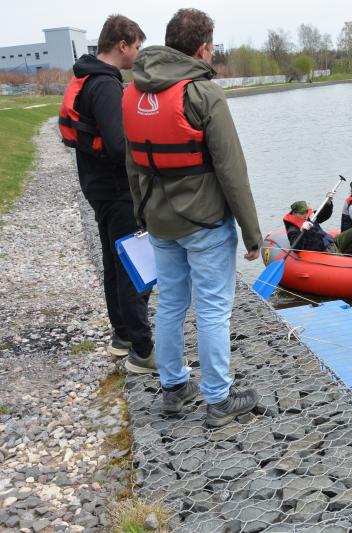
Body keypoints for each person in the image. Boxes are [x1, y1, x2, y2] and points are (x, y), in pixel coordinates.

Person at [123, 8, 262, 428]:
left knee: (170, 304)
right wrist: (252, 234)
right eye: (212, 46)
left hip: (159, 222)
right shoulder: (204, 94)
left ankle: (174, 387)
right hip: (204, 224)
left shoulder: (132, 92)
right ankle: (218, 398)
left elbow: (132, 163)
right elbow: (232, 172)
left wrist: (140, 212)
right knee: (214, 308)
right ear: (203, 47)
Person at [59, 15, 153, 363]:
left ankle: (123, 337)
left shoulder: (87, 77)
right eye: (137, 46)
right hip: (116, 191)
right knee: (133, 268)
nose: (138, 55)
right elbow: (117, 145)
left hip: (97, 187)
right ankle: (143, 350)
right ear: (122, 44)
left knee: (115, 263)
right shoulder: (106, 85)